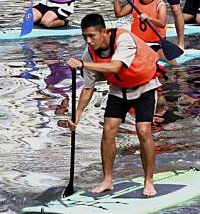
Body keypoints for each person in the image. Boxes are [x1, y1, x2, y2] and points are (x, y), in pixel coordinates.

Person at [67, 13, 160, 196]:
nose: (88, 41)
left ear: (104, 32)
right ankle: (107, 180)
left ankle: (148, 181)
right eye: (84, 36)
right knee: (108, 130)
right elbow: (88, 88)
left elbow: (115, 67)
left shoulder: (123, 39)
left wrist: (83, 65)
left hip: (144, 88)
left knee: (143, 130)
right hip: (118, 90)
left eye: (92, 36)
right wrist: (76, 115)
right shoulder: (89, 54)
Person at [112, 0, 176, 65]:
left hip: (155, 44)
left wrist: (148, 18)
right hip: (137, 44)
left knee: (173, 63)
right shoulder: (135, 2)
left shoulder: (160, 4)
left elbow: (162, 23)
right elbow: (119, 13)